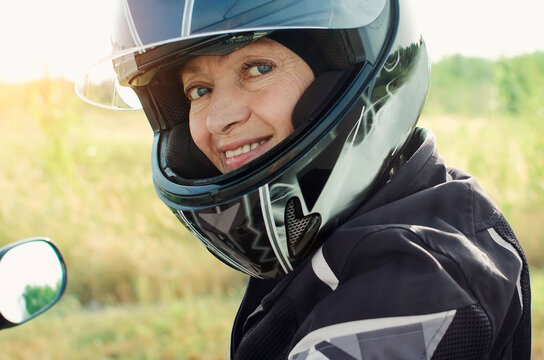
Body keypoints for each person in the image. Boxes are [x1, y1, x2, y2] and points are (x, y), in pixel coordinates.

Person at [77, 0, 531, 358]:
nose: (218, 118)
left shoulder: (420, 280)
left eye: (257, 68)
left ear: (342, 76)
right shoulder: (376, 215)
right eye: (200, 90)